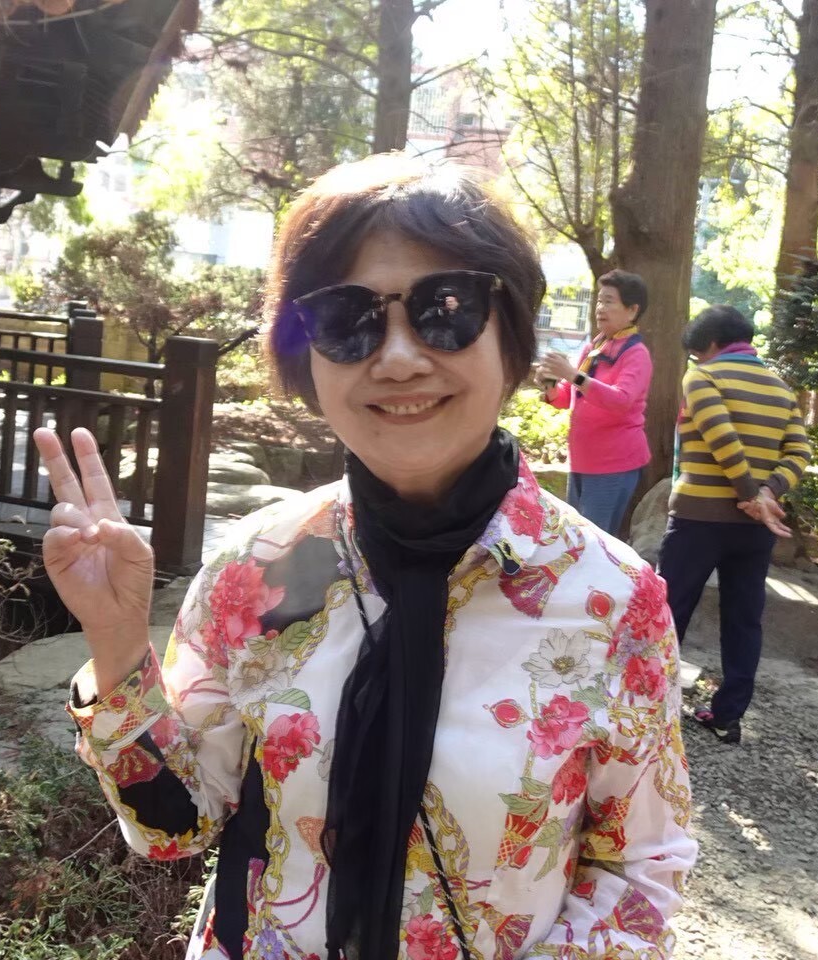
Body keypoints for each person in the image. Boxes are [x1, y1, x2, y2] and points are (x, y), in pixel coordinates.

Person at [35, 155, 696, 960]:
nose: (398, 358)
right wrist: (115, 645)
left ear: (512, 333)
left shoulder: (612, 600)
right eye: (347, 318)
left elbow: (637, 870)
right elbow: (175, 828)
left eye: (445, 309)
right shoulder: (257, 568)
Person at [658, 305, 810, 745]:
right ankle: (727, 717)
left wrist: (751, 494)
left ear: (709, 345)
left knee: (668, 611)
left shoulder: (702, 377)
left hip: (698, 518)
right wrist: (769, 492)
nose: (694, 360)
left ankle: (651, 709)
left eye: (695, 352)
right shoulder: (782, 390)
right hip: (754, 528)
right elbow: (800, 452)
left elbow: (720, 435)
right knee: (744, 619)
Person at [538, 270, 652, 535]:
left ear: (632, 310)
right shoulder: (594, 348)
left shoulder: (636, 353)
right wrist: (550, 384)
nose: (600, 308)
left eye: (609, 301)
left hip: (613, 463)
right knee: (573, 538)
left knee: (592, 541)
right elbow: (569, 396)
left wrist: (573, 375)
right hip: (582, 460)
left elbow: (621, 400)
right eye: (599, 301)